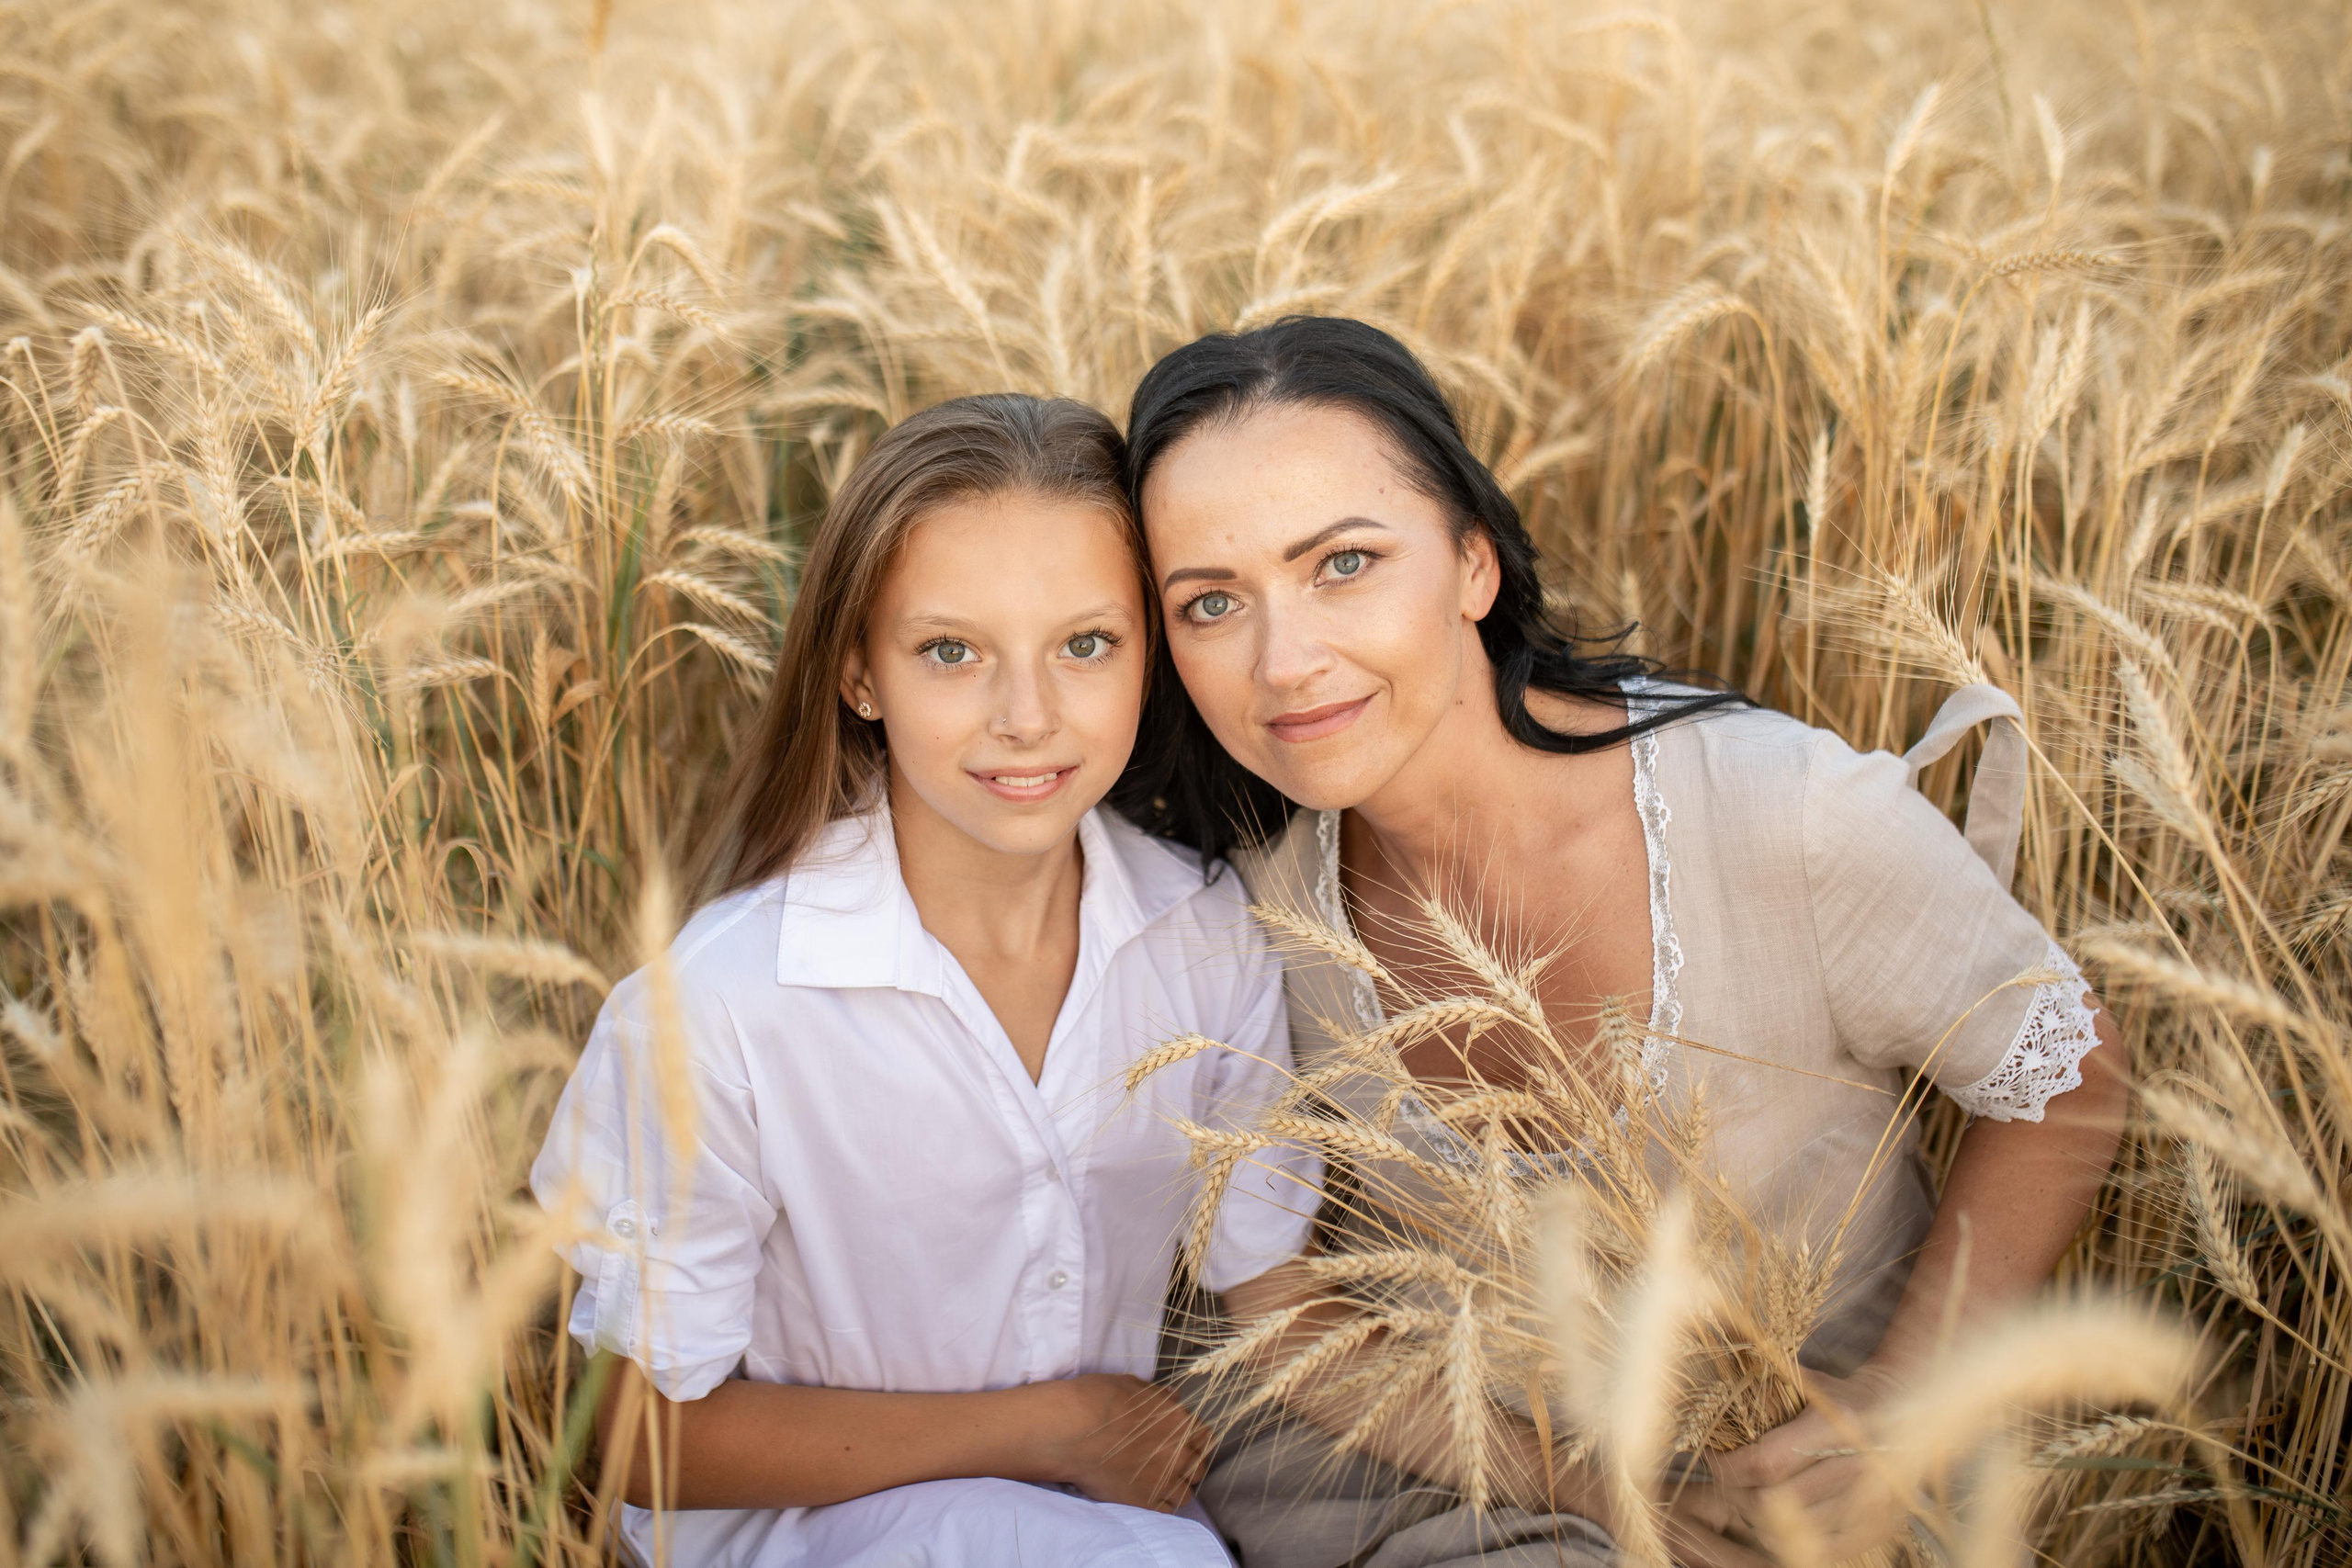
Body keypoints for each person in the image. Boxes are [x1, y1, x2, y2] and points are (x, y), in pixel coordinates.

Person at [1111, 317, 2130, 1568]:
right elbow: (1289, 1299)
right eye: (1211, 603)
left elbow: (2067, 1073)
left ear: (1473, 563)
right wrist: (1589, 1487)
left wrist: (1905, 1392)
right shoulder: (1260, 904)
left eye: (1344, 563)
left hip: (1799, 1491)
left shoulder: (1780, 814)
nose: (1284, 660)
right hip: (1469, 1471)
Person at [531, 393, 1321, 1568]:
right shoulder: (728, 1003)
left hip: (1102, 1525)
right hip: (803, 1537)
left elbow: (1278, 1305)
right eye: (951, 652)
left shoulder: (1203, 937)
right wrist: (1047, 1428)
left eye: (1085, 645)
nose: (1026, 718)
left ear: (1149, 659)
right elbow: (638, 1440)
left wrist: (1570, 1469)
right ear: (860, 672)